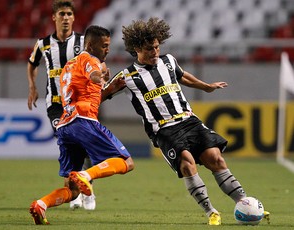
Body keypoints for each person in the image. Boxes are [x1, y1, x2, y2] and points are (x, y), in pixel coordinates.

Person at [104, 17, 269, 225]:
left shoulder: (168, 61)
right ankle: (211, 212)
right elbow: (101, 94)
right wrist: (96, 85)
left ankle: (245, 204)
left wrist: (206, 86)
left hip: (188, 120)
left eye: (156, 47)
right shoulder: (126, 77)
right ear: (137, 48)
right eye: (149, 49)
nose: (155, 52)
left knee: (215, 158)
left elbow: (184, 77)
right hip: (164, 130)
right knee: (187, 163)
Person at [29, 25, 135, 225]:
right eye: (104, 46)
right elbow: (94, 74)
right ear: (90, 44)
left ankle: (41, 205)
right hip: (83, 120)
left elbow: (91, 94)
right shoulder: (90, 60)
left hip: (65, 125)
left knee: (73, 189)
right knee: (127, 162)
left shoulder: (70, 65)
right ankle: (86, 174)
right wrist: (100, 77)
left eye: (108, 46)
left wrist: (108, 87)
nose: (107, 50)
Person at [27, 0, 95, 210]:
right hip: (56, 104)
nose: (65, 18)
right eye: (61, 14)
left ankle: (86, 188)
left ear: (74, 18)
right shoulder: (43, 44)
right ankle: (75, 193)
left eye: (68, 14)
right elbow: (32, 64)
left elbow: (94, 63)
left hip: (79, 103)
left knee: (83, 146)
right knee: (68, 141)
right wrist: (32, 87)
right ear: (54, 18)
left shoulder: (83, 43)